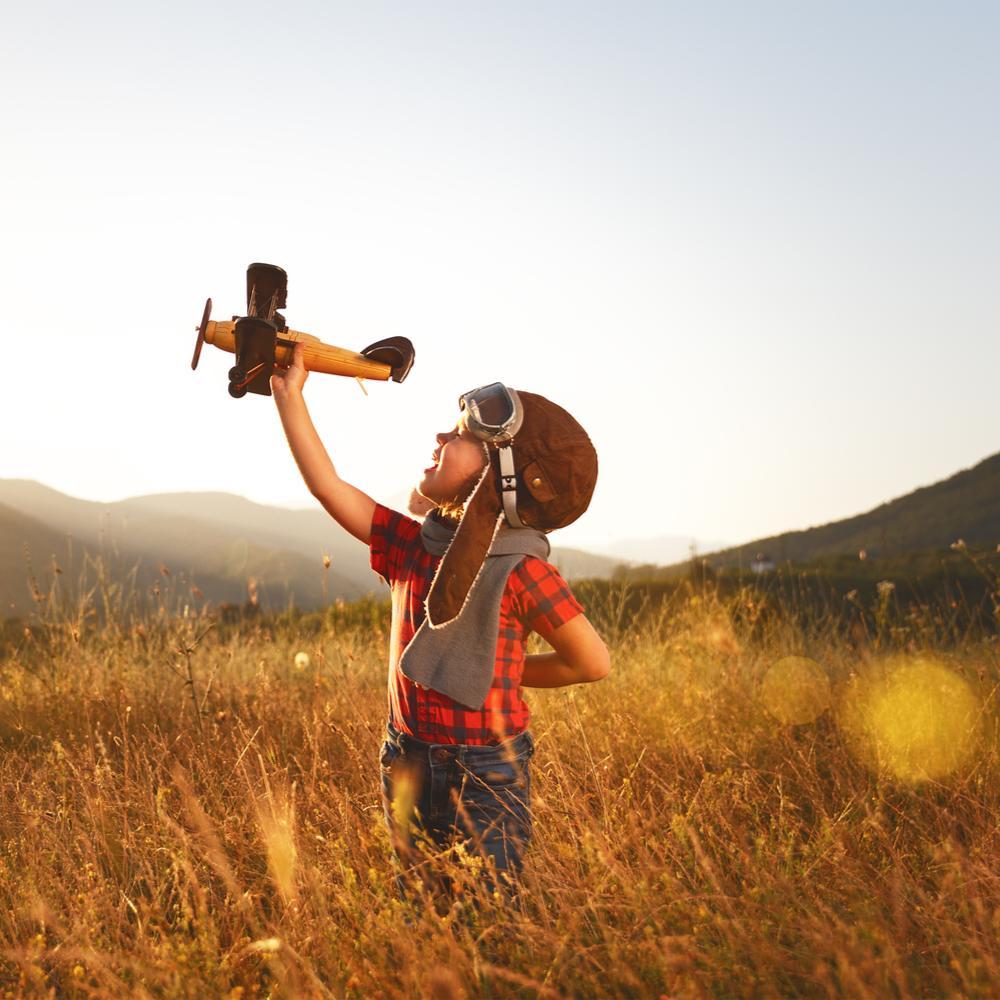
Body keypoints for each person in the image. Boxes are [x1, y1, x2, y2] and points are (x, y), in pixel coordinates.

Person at [271, 345, 610, 908]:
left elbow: (592, 662)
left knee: (484, 919)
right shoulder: (414, 546)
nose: (439, 438)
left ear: (502, 474)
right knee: (421, 910)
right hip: (405, 756)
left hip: (486, 775)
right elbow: (328, 486)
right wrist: (290, 397)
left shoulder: (521, 570)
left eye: (458, 437)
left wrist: (507, 673)